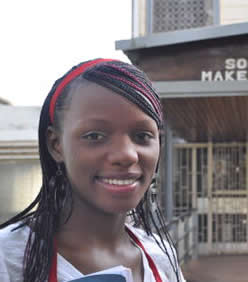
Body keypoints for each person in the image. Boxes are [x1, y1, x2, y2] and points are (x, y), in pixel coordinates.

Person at [0, 58, 186, 282]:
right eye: (95, 136)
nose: (126, 154)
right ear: (56, 145)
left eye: (142, 136)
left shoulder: (161, 256)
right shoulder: (8, 258)